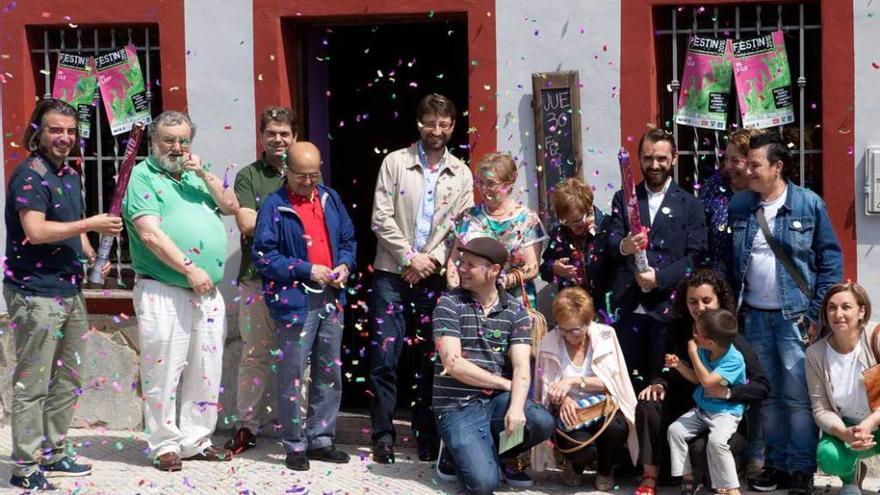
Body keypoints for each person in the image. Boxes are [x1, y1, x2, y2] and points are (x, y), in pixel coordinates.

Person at [3, 99, 121, 490]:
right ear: (38, 132)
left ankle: (53, 452)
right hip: (35, 294)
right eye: (56, 130)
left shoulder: (69, 174)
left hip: (69, 289)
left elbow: (73, 227)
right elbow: (35, 230)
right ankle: (24, 467)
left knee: (68, 378)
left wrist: (91, 254)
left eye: (70, 131)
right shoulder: (29, 176)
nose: (64, 138)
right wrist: (90, 223)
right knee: (33, 382)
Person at [122, 111, 239, 471]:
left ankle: (195, 439)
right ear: (153, 142)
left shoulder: (195, 176)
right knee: (163, 369)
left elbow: (231, 206)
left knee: (206, 369)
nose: (176, 147)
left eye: (183, 140)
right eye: (168, 140)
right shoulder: (141, 176)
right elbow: (149, 233)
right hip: (165, 287)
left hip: (206, 290)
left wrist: (203, 172)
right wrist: (189, 269)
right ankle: (164, 444)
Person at [729, 131, 843, 495]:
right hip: (755, 317)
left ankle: (800, 469)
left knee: (797, 396)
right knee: (769, 396)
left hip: (796, 319)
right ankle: (776, 465)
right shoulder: (741, 205)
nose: (748, 169)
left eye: (755, 164)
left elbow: (831, 262)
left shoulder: (809, 205)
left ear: (777, 167)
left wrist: (814, 314)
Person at [369, 93, 474, 463]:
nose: (437, 130)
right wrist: (409, 257)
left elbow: (461, 228)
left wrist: (432, 260)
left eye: (444, 124)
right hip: (390, 273)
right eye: (431, 122)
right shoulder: (395, 162)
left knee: (431, 359)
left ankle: (425, 434)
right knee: (385, 355)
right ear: (419, 123)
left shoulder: (461, 172)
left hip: (433, 277)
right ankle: (382, 435)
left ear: (452, 127)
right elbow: (380, 218)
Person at [252, 141, 356, 471]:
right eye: (301, 176)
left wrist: (345, 265)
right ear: (286, 171)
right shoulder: (274, 206)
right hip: (295, 301)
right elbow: (264, 258)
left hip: (331, 296)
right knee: (293, 373)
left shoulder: (330, 197)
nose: (309, 182)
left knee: (329, 370)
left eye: (314, 175)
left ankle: (321, 438)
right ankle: (295, 443)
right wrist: (306, 269)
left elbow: (348, 241)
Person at [432, 237, 555, 493]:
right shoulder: (448, 304)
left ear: (494, 270)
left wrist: (517, 408)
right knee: (484, 485)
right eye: (460, 262)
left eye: (470, 264)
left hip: (496, 403)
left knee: (540, 421)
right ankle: (455, 454)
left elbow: (522, 365)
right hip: (458, 406)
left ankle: (502, 453)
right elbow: (453, 363)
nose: (460, 269)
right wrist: (504, 384)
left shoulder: (515, 310)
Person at [634, 269, 770, 495]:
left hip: (723, 415)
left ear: (719, 300)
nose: (700, 308)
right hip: (688, 409)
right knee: (649, 403)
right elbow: (665, 367)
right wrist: (659, 382)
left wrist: (728, 393)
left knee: (703, 451)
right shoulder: (677, 329)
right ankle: (650, 475)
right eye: (693, 301)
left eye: (707, 301)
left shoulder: (730, 337)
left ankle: (715, 480)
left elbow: (762, 386)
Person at [607, 128, 707, 389]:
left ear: (673, 158)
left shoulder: (690, 205)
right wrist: (625, 245)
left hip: (667, 310)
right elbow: (611, 243)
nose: (655, 165)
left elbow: (695, 257)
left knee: (663, 387)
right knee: (625, 385)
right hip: (627, 308)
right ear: (639, 158)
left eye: (662, 159)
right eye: (648, 158)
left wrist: (659, 278)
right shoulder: (624, 198)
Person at [226, 106, 298, 454]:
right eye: (271, 133)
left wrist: (269, 217)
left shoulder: (305, 170)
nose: (278, 139)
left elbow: (314, 227)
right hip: (256, 278)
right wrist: (289, 221)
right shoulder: (248, 176)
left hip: (297, 280)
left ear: (294, 136)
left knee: (298, 356)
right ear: (262, 136)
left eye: (284, 133)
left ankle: (298, 429)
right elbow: (246, 224)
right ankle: (246, 426)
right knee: (254, 355)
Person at [532, 287, 639, 490]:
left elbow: (615, 383)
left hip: (603, 406)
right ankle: (575, 464)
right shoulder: (549, 341)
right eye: (562, 329)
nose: (568, 336)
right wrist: (563, 399)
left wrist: (573, 381)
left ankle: (605, 470)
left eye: (575, 330)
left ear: (588, 322)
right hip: (569, 410)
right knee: (582, 448)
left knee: (616, 428)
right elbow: (545, 387)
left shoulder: (606, 336)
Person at [806, 282, 880, 495]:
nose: (838, 314)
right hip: (847, 427)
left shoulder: (876, 337)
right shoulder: (815, 354)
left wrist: (870, 423)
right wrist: (845, 433)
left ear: (861, 311)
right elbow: (820, 409)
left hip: (876, 421)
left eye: (846, 307)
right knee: (828, 454)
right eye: (832, 307)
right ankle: (850, 479)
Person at [447, 152, 547, 306]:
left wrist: (500, 283)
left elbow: (532, 267)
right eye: (480, 182)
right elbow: (454, 261)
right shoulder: (467, 217)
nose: (484, 189)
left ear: (510, 182)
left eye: (491, 183)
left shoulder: (527, 220)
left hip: (514, 302)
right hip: (470, 303)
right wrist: (454, 295)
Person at [667, 309, 746, 495]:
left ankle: (732, 488)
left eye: (697, 333)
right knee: (675, 430)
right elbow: (697, 378)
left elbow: (707, 382)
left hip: (726, 412)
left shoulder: (734, 359)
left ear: (710, 342)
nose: (693, 335)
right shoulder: (705, 350)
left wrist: (692, 354)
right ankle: (687, 476)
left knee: (717, 442)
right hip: (703, 408)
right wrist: (679, 365)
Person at [540, 178, 612, 317]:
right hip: (572, 312)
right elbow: (544, 269)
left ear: (590, 208)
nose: (573, 227)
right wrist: (554, 269)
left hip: (605, 309)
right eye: (567, 222)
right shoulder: (559, 233)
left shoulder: (607, 227)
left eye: (578, 221)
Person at [699, 128, 761, 275]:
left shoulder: (765, 193)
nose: (728, 166)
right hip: (717, 282)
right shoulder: (713, 186)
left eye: (735, 160)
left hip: (755, 283)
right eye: (726, 158)